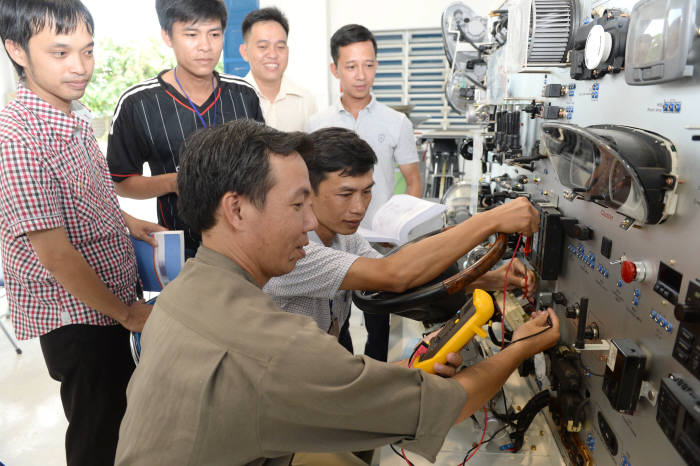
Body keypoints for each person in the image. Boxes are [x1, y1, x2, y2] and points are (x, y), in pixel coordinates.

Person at [114, 119, 559, 465]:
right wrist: (519, 348)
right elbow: (446, 403)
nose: (310, 224)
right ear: (236, 209)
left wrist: (482, 279)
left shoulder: (182, 292)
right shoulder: (275, 344)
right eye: (297, 205)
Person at [0, 1, 166, 464]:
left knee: (122, 416)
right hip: (78, 316)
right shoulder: (16, 139)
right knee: (98, 432)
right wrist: (128, 314)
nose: (80, 67)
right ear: (17, 50)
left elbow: (90, 196)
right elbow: (56, 255)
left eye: (87, 51)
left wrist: (129, 222)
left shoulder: (72, 114)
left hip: (108, 301)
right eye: (60, 52)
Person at [265, 127, 538, 360]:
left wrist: (492, 279)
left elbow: (398, 284)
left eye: (367, 191)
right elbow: (393, 275)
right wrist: (490, 221)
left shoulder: (345, 239)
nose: (359, 208)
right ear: (308, 192)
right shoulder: (295, 251)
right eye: (345, 194)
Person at [107, 0, 264, 256]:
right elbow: (121, 183)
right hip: (182, 250)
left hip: (246, 243)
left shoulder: (244, 95)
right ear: (167, 36)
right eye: (191, 34)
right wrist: (175, 182)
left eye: (214, 34)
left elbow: (261, 166)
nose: (205, 46)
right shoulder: (138, 103)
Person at [308, 24, 423, 360]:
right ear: (335, 69)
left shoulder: (396, 122)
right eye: (351, 65)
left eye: (369, 64)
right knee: (334, 318)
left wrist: (401, 229)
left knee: (379, 323)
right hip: (332, 241)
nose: (361, 75)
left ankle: (374, 383)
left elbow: (412, 181)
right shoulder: (316, 124)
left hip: (380, 241)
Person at [240, 7, 317, 131]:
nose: (273, 54)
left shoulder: (305, 100)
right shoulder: (234, 99)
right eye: (263, 46)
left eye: (280, 47)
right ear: (244, 52)